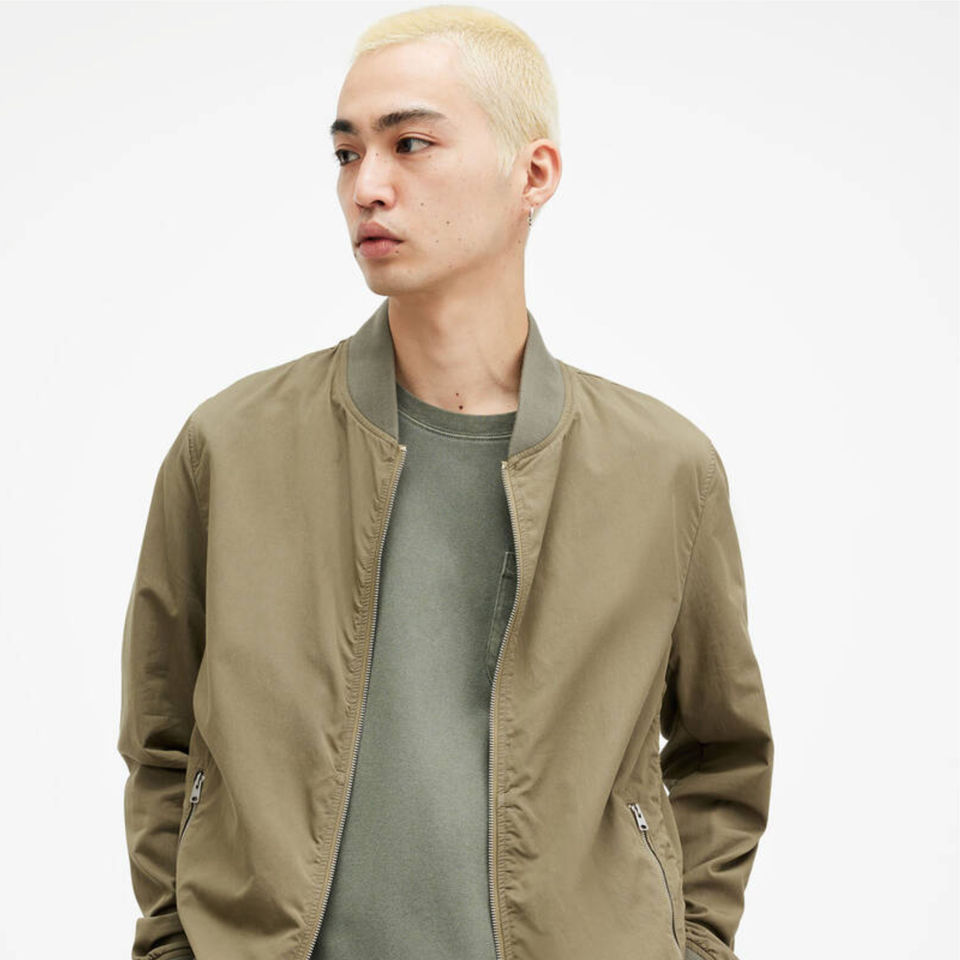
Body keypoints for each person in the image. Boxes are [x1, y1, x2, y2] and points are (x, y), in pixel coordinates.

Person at [116, 6, 774, 960]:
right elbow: (163, 741)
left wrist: (695, 947)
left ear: (533, 174)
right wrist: (175, 944)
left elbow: (724, 754)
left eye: (410, 144)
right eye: (347, 153)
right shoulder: (231, 446)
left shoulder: (663, 470)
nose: (367, 187)